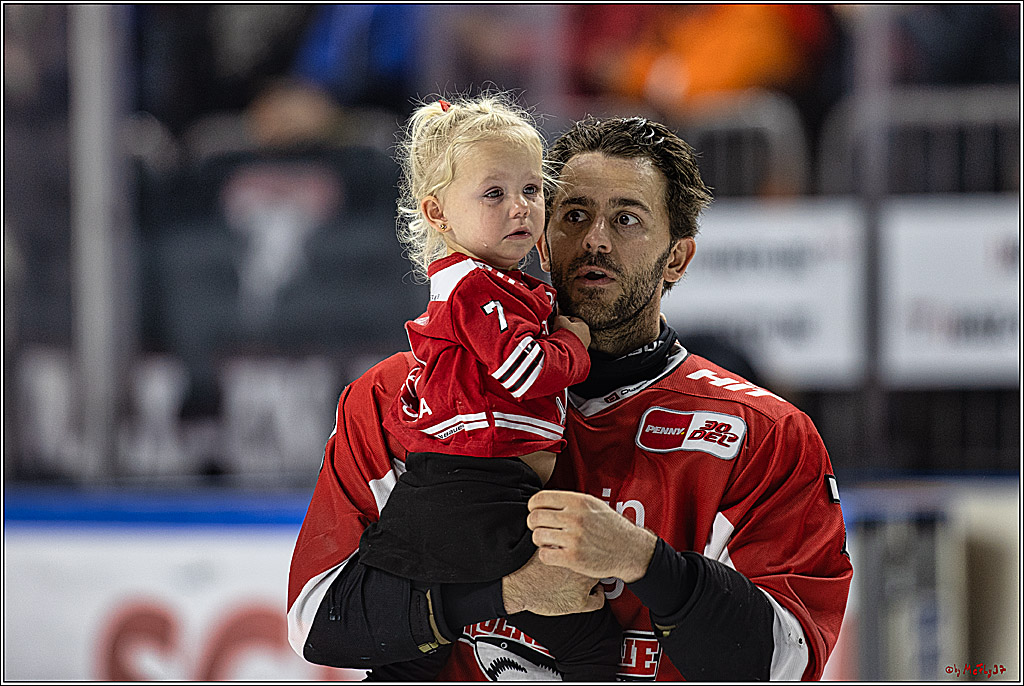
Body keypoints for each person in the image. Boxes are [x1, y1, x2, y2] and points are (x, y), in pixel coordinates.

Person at [287, 115, 853, 680]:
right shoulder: (393, 399)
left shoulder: (764, 435)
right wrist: (507, 593)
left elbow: (788, 662)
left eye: (627, 219)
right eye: (574, 215)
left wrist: (643, 561)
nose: (595, 240)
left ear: (678, 258)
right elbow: (317, 621)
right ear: (541, 236)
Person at [349, 93, 621, 681]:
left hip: (490, 487)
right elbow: (523, 371)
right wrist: (575, 345)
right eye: (493, 194)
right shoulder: (474, 286)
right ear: (438, 213)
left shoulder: (499, 283)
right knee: (585, 630)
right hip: (470, 488)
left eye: (531, 189)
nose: (520, 207)